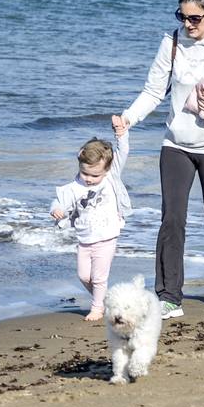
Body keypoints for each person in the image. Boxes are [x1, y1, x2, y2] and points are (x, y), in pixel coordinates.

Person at [112, 0, 204, 319]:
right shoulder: (172, 43)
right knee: (171, 220)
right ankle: (169, 297)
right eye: (182, 16)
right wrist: (128, 118)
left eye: (194, 18)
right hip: (175, 144)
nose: (187, 24)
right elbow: (153, 91)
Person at [50, 129, 132, 321]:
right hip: (85, 238)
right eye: (85, 173)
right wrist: (56, 209)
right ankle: (105, 300)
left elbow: (123, 151)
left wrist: (121, 134)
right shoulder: (75, 186)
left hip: (107, 236)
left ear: (106, 169)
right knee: (84, 276)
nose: (88, 178)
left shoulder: (111, 176)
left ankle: (97, 308)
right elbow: (59, 200)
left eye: (95, 176)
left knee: (99, 278)